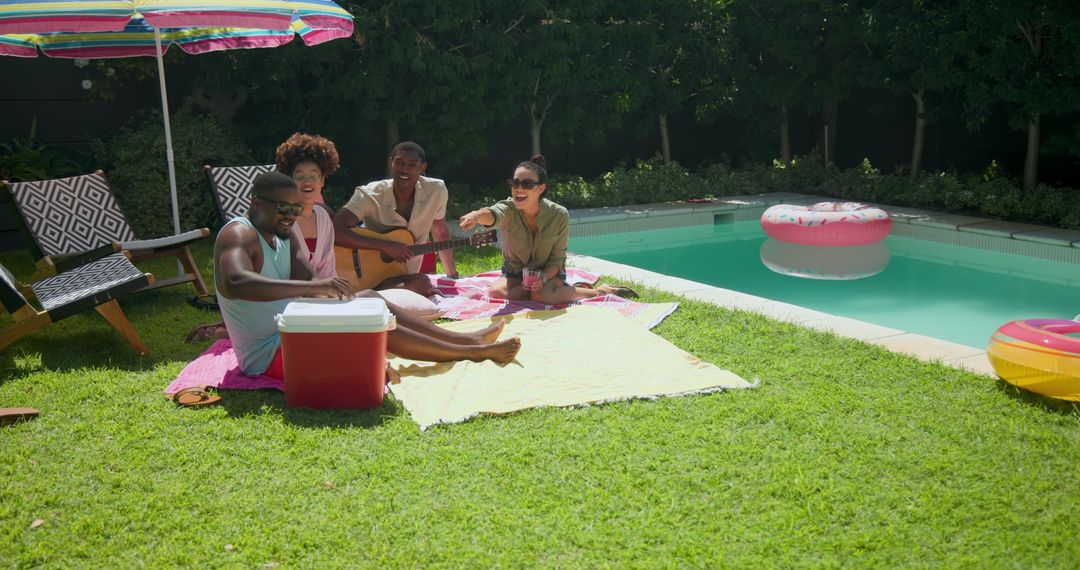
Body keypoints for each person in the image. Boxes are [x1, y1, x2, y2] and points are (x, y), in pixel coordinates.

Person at [213, 171, 520, 377]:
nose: (291, 215)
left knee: (370, 299)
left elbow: (306, 277)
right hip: (271, 353)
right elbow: (235, 282)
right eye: (283, 208)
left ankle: (468, 341)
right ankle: (472, 353)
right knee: (369, 323)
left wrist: (331, 292)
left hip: (296, 326)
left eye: (295, 209)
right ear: (255, 203)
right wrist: (319, 288)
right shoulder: (239, 234)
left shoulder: (284, 232)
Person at [458, 155, 638, 304]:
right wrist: (476, 215)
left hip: (548, 272)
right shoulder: (509, 208)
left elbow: (557, 259)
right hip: (515, 272)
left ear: (541, 188)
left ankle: (600, 291)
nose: (519, 188)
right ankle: (566, 291)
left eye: (527, 184)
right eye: (515, 183)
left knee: (541, 296)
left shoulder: (559, 214)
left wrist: (542, 279)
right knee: (495, 293)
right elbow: (493, 213)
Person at [332, 141, 459, 296]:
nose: (405, 169)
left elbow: (439, 232)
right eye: (400, 162)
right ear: (390, 163)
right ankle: (366, 293)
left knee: (421, 283)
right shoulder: (370, 194)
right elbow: (336, 229)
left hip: (403, 276)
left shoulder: (436, 190)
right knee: (422, 284)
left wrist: (452, 276)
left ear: (422, 167)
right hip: (367, 272)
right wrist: (385, 246)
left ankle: (366, 295)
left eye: (412, 165)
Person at [276, 132, 340, 279]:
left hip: (320, 295)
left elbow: (328, 271)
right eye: (300, 177)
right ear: (290, 180)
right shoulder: (279, 217)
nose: (307, 182)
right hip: (285, 295)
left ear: (322, 181)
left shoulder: (323, 218)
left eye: (313, 176)